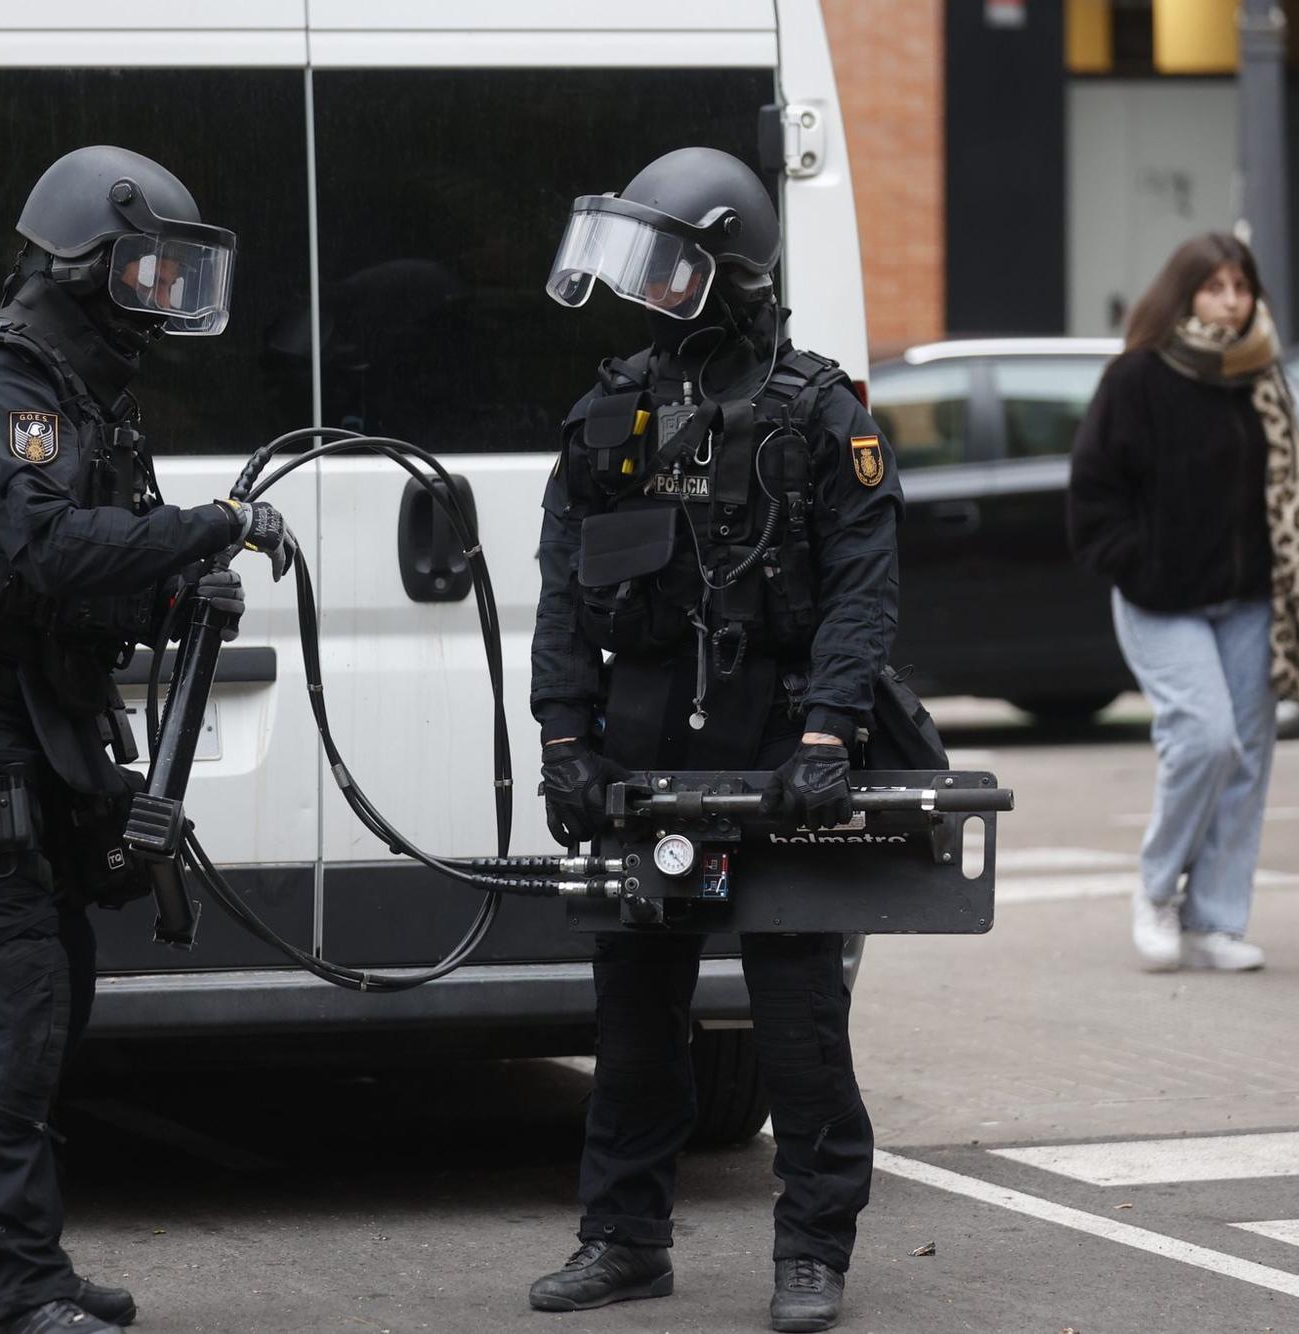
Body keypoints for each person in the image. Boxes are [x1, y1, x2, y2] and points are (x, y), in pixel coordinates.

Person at [0, 146, 287, 1334]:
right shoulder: (0, 386)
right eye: (148, 269)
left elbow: (72, 577)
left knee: (59, 995)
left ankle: (21, 1262)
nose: (163, 297)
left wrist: (173, 593)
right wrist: (213, 528)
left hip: (34, 712)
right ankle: (17, 1289)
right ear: (82, 259)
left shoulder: (72, 391)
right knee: (23, 1002)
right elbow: (50, 550)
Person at [527, 146, 901, 1334]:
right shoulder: (611, 412)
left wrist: (832, 730)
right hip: (644, 758)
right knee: (635, 1022)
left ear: (728, 266)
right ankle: (623, 1239)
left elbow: (861, 589)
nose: (643, 291)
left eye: (667, 266)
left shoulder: (822, 412)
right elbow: (559, 589)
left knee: (796, 1024)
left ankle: (811, 1250)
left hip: (778, 750)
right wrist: (564, 736)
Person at [1069, 233, 1299, 973]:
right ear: (1184, 295)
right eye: (1215, 288)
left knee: (1249, 757)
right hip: (1161, 598)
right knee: (1205, 738)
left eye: (1241, 287)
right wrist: (1139, 563)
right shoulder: (1139, 376)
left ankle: (1216, 920)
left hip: (1247, 601)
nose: (1231, 302)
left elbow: (1291, 486)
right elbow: (1094, 494)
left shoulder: (1260, 376)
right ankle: (1157, 889)